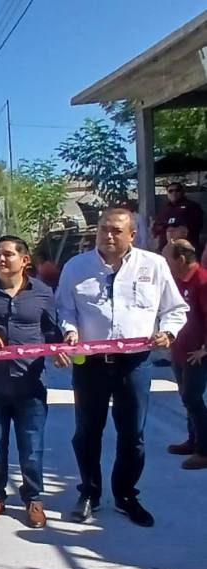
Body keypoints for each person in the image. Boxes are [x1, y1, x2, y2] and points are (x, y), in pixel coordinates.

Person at [56, 208, 188, 527]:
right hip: (91, 364)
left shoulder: (153, 265)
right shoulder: (76, 267)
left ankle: (126, 494)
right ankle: (90, 491)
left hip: (135, 363)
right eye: (104, 229)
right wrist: (69, 330)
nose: (108, 235)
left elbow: (175, 309)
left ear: (132, 235)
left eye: (116, 230)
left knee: (133, 434)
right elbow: (64, 308)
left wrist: (168, 332)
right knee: (87, 432)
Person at [0, 236, 62, 528]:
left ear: (24, 260)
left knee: (32, 448)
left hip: (30, 385)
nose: (0, 259)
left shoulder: (43, 293)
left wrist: (61, 351)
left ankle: (33, 498)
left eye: (8, 254)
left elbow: (53, 332)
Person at [163, 240, 207, 470]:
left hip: (196, 354)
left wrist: (205, 349)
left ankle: (205, 449)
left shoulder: (202, 281)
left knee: (192, 398)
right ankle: (193, 440)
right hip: (180, 350)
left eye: (168, 259)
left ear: (181, 259)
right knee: (185, 397)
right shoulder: (178, 282)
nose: (165, 265)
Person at [152, 182, 203, 250]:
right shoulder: (164, 209)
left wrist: (175, 226)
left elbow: (196, 226)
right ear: (167, 194)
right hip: (165, 247)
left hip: (185, 247)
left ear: (182, 192)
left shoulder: (192, 206)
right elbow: (156, 228)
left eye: (177, 190)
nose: (174, 193)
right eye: (171, 191)